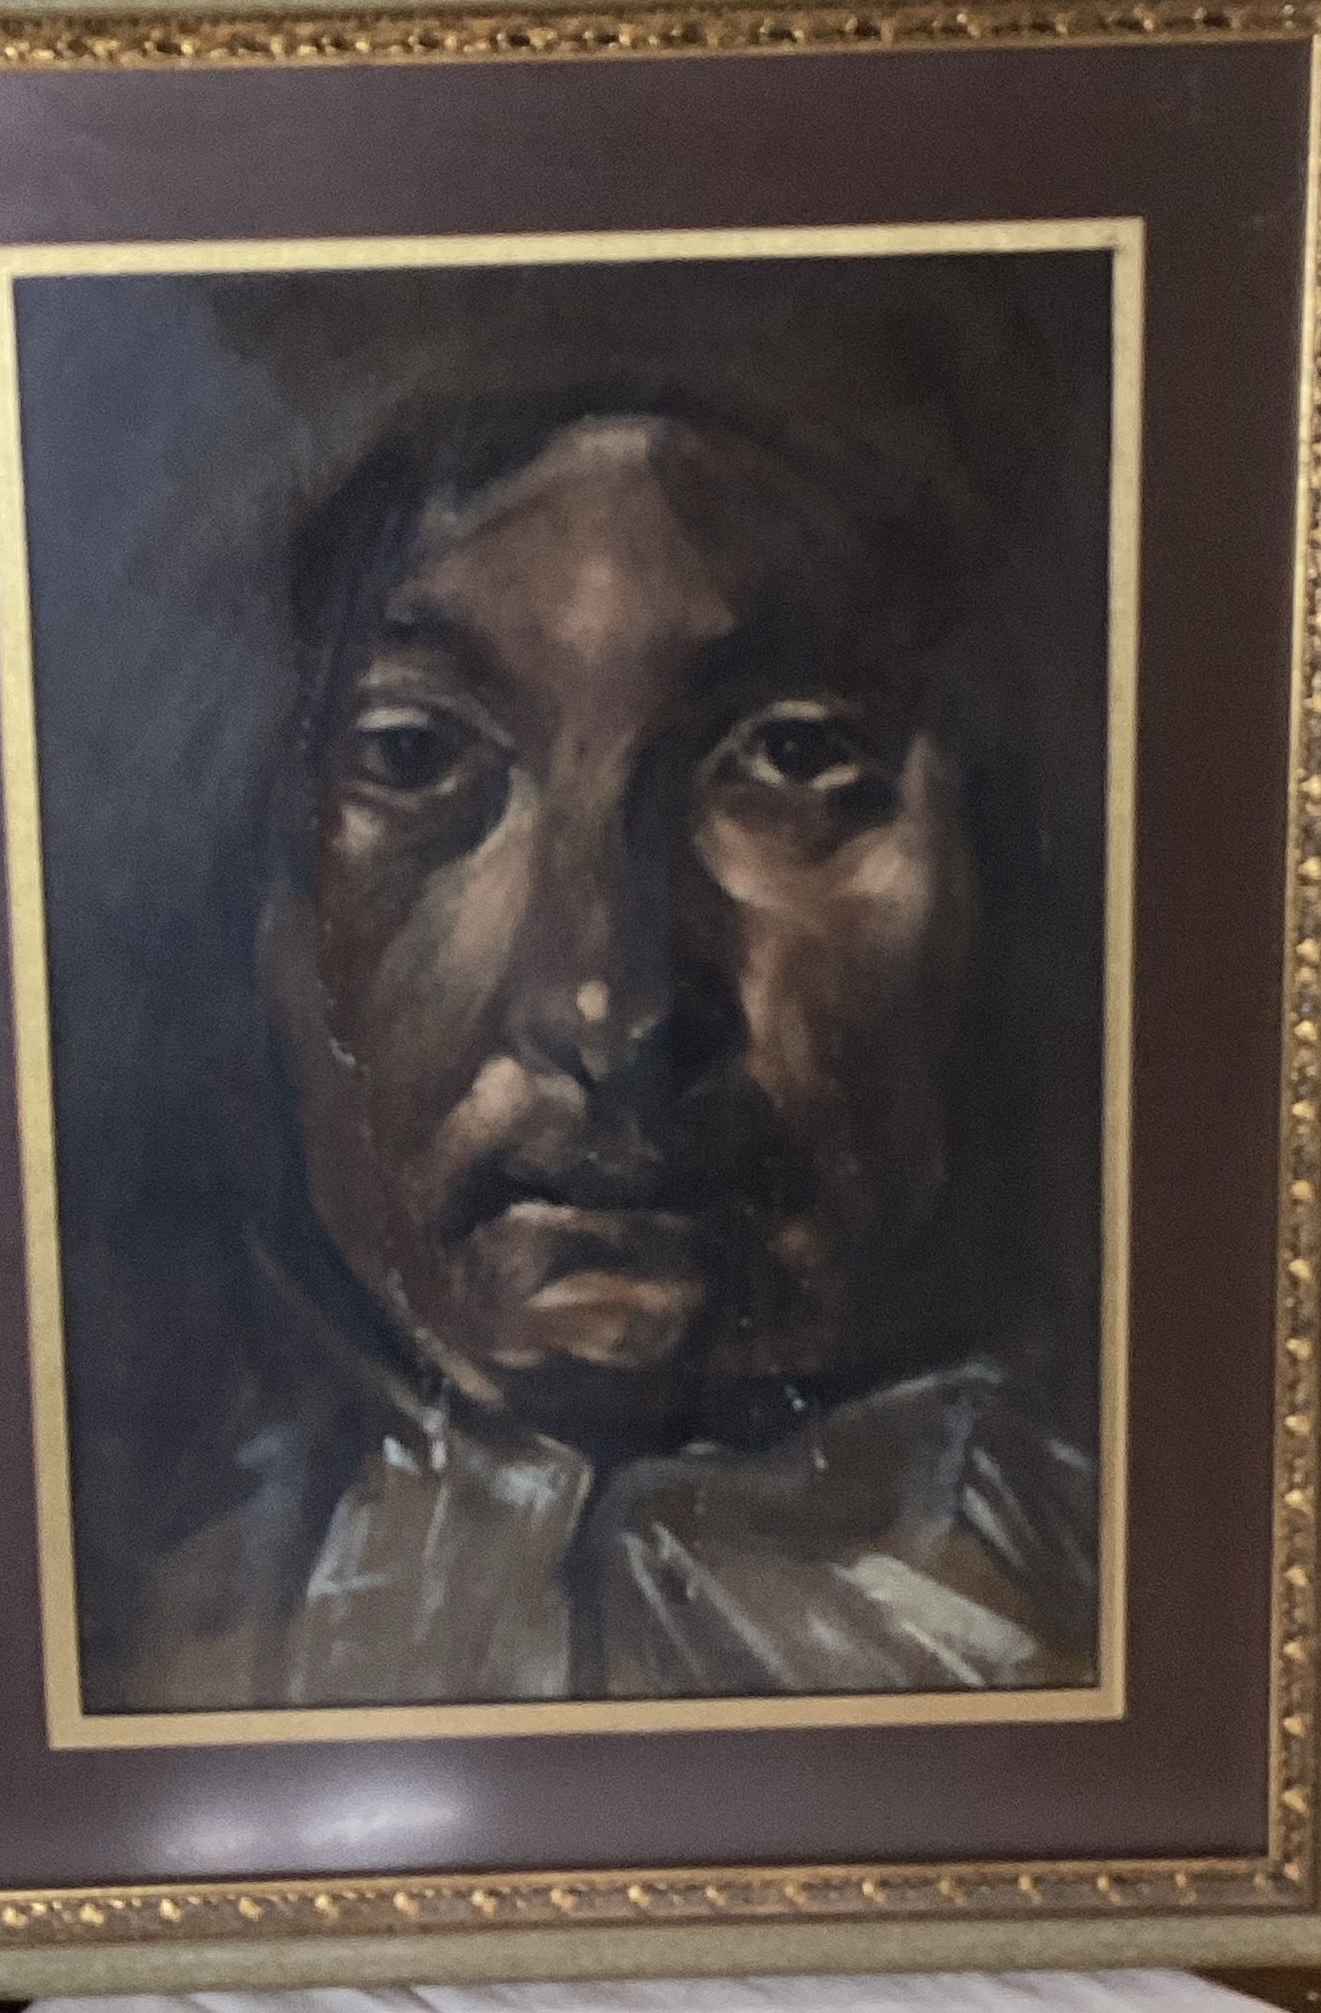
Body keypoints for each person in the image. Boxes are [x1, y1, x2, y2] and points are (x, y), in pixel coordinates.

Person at [118, 385, 1098, 1711]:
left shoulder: (1150, 1636)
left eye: (791, 756)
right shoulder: (145, 1660)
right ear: (271, 913)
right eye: (413, 751)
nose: (604, 1007)